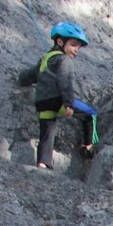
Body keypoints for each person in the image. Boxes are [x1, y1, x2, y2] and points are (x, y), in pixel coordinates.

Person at [31, 23, 96, 169]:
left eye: (78, 47)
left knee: (47, 132)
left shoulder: (45, 59)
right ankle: (88, 147)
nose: (76, 50)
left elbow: (31, 75)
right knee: (90, 114)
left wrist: (21, 80)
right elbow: (65, 81)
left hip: (42, 102)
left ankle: (43, 163)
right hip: (57, 100)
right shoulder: (64, 60)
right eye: (73, 45)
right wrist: (68, 103)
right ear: (60, 42)